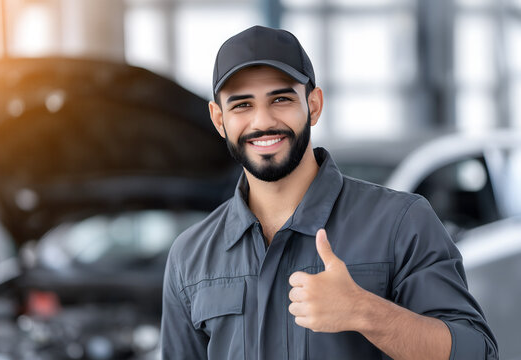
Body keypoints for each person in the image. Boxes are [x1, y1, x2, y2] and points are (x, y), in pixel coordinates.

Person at [160, 25, 497, 360]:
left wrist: (364, 311)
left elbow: (477, 352)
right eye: (242, 105)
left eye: (281, 99)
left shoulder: (401, 223)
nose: (262, 121)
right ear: (219, 119)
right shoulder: (189, 256)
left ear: (314, 105)